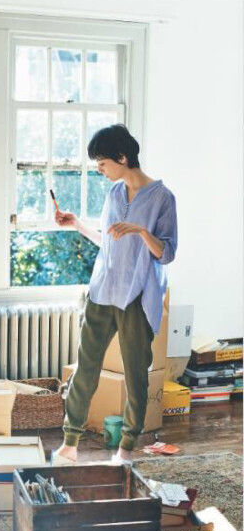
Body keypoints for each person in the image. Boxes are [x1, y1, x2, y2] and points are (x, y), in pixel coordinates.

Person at [52, 124, 178, 466]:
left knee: (136, 374)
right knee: (85, 369)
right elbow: (109, 243)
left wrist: (141, 231)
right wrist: (77, 224)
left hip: (136, 297)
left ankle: (125, 448)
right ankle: (70, 443)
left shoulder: (163, 199)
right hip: (103, 290)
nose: (99, 169)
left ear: (123, 157)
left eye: (102, 162)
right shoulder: (113, 194)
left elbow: (165, 254)